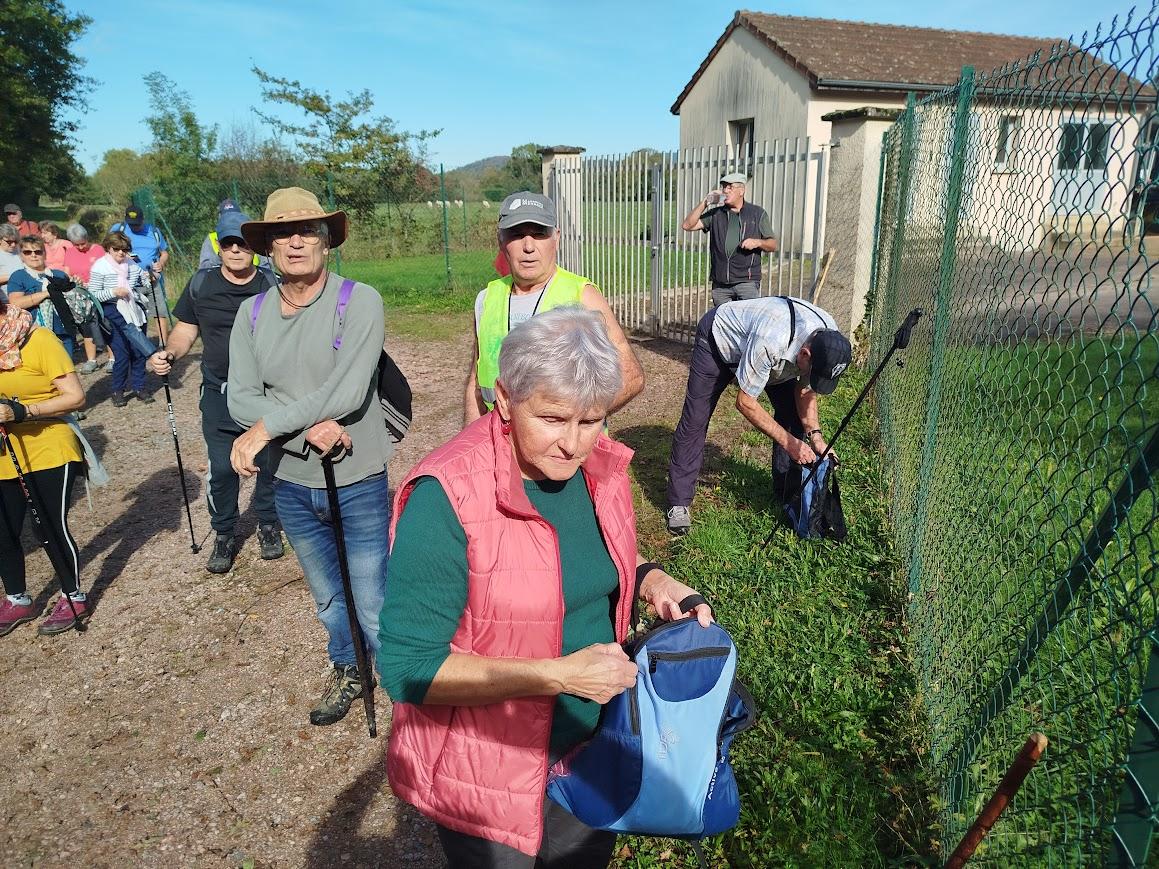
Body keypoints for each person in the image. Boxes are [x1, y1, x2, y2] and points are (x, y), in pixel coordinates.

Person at [380, 306, 713, 866]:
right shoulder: (447, 498)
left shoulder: (599, 469)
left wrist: (649, 578)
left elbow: (581, 564)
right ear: (505, 400)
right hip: (492, 768)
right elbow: (408, 668)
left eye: (592, 420)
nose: (573, 444)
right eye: (554, 419)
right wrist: (555, 676)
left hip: (591, 748)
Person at [228, 187, 392, 727]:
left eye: (306, 231)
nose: (295, 241)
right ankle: (349, 668)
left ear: (326, 241)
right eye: (282, 233)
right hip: (292, 480)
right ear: (268, 247)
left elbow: (347, 393)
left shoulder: (360, 301)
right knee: (327, 596)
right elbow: (238, 397)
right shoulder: (250, 315)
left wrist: (271, 425)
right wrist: (304, 430)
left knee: (371, 598)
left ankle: (399, 680)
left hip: (358, 477)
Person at [148, 208, 283, 574]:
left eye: (243, 242)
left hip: (264, 392)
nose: (236, 249)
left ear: (253, 247)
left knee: (269, 462)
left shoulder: (272, 285)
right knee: (222, 469)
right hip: (219, 392)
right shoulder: (201, 285)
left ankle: (269, 524)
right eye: (228, 243)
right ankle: (224, 533)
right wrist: (170, 353)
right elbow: (185, 330)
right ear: (218, 247)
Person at [665, 295, 852, 535]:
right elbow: (745, 402)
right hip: (718, 341)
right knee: (696, 420)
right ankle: (678, 502)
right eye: (813, 372)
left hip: (772, 357)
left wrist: (815, 437)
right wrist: (789, 442)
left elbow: (804, 390)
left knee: (793, 415)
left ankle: (785, 489)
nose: (813, 380)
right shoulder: (771, 339)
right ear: (805, 354)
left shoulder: (829, 336)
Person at [463, 191, 643, 426]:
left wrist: (572, 424)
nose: (528, 246)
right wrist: (468, 446)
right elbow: (476, 385)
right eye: (516, 235)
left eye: (539, 234)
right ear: (500, 240)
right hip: (498, 451)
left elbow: (632, 376)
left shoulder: (582, 297)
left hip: (562, 456)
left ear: (556, 238)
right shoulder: (486, 299)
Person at [0, 298, 90, 636]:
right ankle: (18, 599)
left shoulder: (38, 340)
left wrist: (21, 412)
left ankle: (73, 595)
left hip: (48, 446)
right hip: (3, 452)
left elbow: (76, 397)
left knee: (47, 526)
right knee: (3, 530)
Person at [681, 172, 779, 307]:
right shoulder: (716, 214)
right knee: (725, 325)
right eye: (723, 187)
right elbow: (687, 225)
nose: (725, 191)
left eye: (730, 187)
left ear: (741, 191)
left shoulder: (757, 214)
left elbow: (773, 245)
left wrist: (758, 242)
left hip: (746, 283)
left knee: (746, 323)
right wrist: (705, 202)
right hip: (720, 285)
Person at [87, 231, 156, 407]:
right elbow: (93, 295)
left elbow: (146, 283)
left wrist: (152, 277)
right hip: (111, 310)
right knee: (122, 353)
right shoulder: (100, 267)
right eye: (116, 249)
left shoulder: (132, 264)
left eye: (124, 250)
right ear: (108, 248)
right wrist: (113, 292)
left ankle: (139, 387)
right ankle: (118, 390)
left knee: (138, 352)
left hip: (133, 308)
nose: (120, 253)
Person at [6, 236, 77, 359]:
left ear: (44, 254)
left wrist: (76, 286)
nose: (33, 255)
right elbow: (15, 303)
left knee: (66, 370)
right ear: (21, 255)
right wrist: (46, 294)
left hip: (64, 330)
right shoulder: (18, 276)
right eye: (27, 252)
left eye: (38, 252)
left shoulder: (59, 274)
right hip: (35, 333)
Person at [110, 204, 170, 344]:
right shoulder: (119, 230)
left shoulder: (154, 231)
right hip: (127, 280)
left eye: (137, 224)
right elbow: (108, 251)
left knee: (159, 312)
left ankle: (163, 345)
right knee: (131, 312)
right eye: (131, 224)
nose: (134, 227)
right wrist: (124, 257)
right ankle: (135, 342)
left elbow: (164, 253)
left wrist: (161, 263)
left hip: (152, 278)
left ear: (143, 220)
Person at [61, 225, 108, 375]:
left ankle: (113, 358)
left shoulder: (98, 250)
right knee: (86, 327)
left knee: (105, 324)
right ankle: (91, 360)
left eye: (83, 243)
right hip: (80, 294)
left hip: (98, 291)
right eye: (77, 244)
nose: (81, 247)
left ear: (87, 238)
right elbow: (67, 273)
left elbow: (106, 269)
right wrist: (73, 280)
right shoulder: (69, 252)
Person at [198, 198, 273, 272]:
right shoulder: (211, 238)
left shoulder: (250, 234)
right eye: (227, 243)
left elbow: (267, 264)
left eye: (242, 244)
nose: (235, 249)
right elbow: (205, 267)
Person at [0, 225, 22, 292]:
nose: (13, 245)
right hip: (9, 296)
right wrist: (16, 276)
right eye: (9, 242)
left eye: (15, 241)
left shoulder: (19, 250)